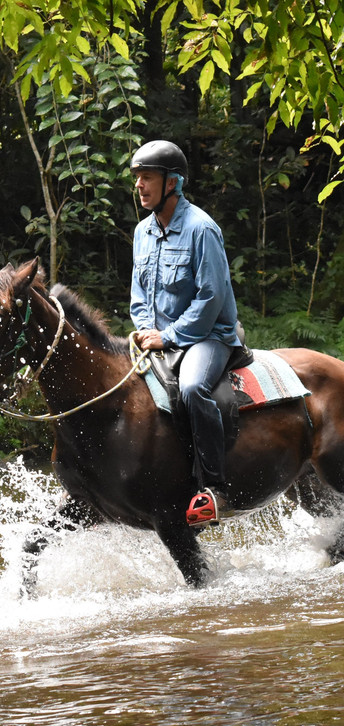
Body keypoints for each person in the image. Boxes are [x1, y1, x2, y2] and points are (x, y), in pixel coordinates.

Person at [129, 140, 242, 526]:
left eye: (147, 178)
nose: (139, 186)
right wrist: (146, 329)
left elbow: (211, 298)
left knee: (193, 389)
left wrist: (169, 336)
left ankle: (214, 489)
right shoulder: (142, 232)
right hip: (159, 336)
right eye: (137, 178)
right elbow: (139, 294)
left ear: (172, 182)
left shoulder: (202, 229)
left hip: (208, 335)